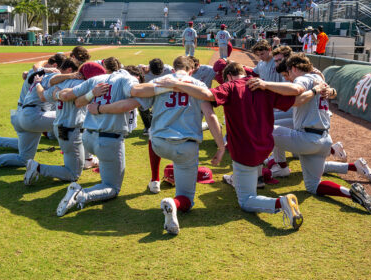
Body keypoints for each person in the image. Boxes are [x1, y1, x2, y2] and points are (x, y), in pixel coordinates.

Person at [156, 62, 327, 230]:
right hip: (265, 147)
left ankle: (280, 202)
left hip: (244, 150)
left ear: (229, 76)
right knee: (250, 174)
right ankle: (253, 180)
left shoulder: (230, 86)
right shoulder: (263, 85)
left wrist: (177, 84)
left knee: (246, 200)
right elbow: (297, 101)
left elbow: (207, 94)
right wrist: (315, 90)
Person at [86, 56, 225, 235]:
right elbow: (211, 116)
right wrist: (221, 147)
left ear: (173, 70)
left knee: (153, 134)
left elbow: (131, 104)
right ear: (192, 70)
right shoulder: (198, 84)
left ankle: (155, 179)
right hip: (185, 145)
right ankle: (174, 204)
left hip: (159, 143)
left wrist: (100, 109)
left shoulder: (160, 82)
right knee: (186, 198)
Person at [266, 54, 371, 215]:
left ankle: (254, 173)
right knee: (313, 186)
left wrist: (265, 85)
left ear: (295, 68)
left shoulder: (303, 78)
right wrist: (329, 90)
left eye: (288, 73)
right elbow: (333, 92)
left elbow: (297, 94)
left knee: (263, 129)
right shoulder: (318, 79)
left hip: (306, 138)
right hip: (324, 140)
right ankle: (350, 193)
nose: (288, 77)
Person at [53, 58, 144, 217]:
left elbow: (77, 102)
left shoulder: (96, 80)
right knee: (112, 187)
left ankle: (86, 172)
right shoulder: (126, 81)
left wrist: (91, 96)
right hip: (105, 138)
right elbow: (127, 103)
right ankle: (81, 194)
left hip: (87, 136)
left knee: (92, 165)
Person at [24, 62, 109, 185]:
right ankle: (37, 168)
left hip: (61, 127)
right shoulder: (83, 85)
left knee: (74, 163)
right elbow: (77, 101)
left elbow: (42, 96)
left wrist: (37, 83)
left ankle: (86, 159)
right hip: (71, 130)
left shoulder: (63, 83)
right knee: (73, 174)